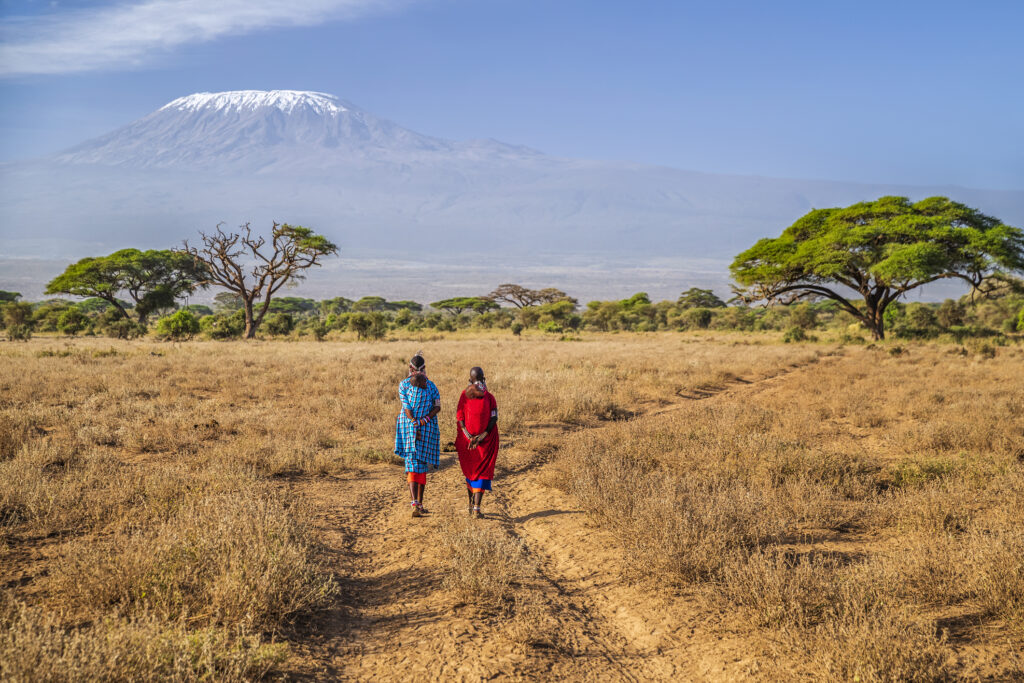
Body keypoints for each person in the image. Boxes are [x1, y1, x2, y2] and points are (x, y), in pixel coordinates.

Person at [394, 353, 441, 518]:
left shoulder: (430, 386)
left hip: (423, 426)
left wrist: (422, 420)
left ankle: (419, 503)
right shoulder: (404, 385)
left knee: (420, 466)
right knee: (413, 464)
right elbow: (406, 407)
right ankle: (415, 502)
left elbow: (437, 406)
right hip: (410, 427)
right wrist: (416, 421)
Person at [455, 366, 499, 518]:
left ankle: (470, 504)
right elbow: (494, 418)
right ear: (483, 378)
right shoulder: (490, 397)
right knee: (482, 472)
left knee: (471, 471)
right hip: (485, 441)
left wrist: (468, 436)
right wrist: (481, 436)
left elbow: (460, 417)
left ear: (470, 379)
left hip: (467, 442)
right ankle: (476, 509)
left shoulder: (463, 395)